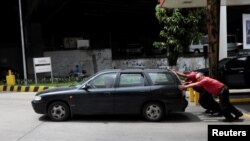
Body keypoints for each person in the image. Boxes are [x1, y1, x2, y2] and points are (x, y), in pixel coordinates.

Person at [179, 72, 243, 122]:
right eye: (197, 78)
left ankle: (229, 118)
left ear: (202, 76)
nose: (198, 79)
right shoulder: (203, 80)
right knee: (227, 104)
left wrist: (185, 87)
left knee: (223, 105)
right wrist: (185, 83)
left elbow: (196, 84)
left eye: (199, 78)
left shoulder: (205, 80)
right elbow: (192, 82)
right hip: (222, 91)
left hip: (223, 90)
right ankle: (238, 113)